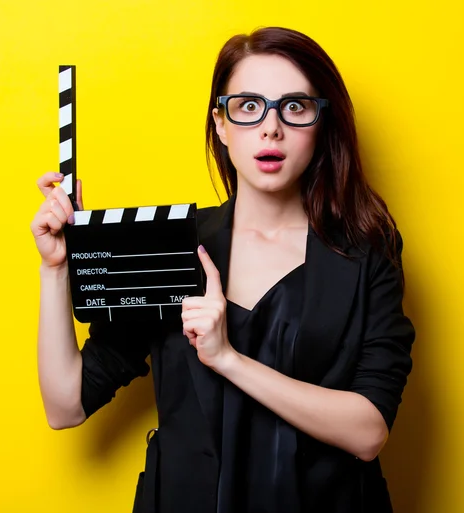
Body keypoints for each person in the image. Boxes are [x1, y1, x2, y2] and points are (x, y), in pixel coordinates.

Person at [31, 26, 416, 513]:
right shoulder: (168, 243)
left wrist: (227, 357)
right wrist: (55, 268)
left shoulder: (366, 252)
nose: (270, 128)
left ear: (322, 124)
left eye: (294, 107)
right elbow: (65, 406)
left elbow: (369, 432)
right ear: (221, 122)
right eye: (249, 106)